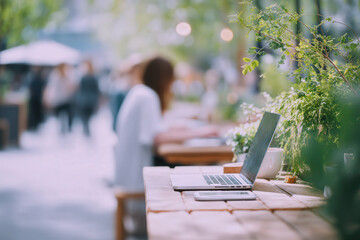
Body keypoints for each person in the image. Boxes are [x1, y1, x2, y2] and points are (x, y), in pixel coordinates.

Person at [114, 56, 218, 234]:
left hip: (131, 178)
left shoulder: (140, 92)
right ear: (165, 79)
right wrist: (199, 132)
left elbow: (158, 127)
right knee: (204, 172)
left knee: (197, 172)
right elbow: (158, 138)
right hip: (138, 189)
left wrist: (187, 127)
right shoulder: (147, 96)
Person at [43, 63, 77, 134]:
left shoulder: (67, 74)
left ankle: (65, 129)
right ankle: (63, 129)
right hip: (60, 99)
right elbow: (51, 87)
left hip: (64, 98)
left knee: (65, 115)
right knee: (62, 115)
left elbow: (71, 87)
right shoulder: (56, 75)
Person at [75, 60, 100, 136]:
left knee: (84, 115)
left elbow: (79, 88)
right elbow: (97, 90)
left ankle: (86, 126)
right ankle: (86, 126)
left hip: (84, 100)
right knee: (88, 115)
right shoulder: (94, 77)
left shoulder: (83, 77)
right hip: (92, 100)